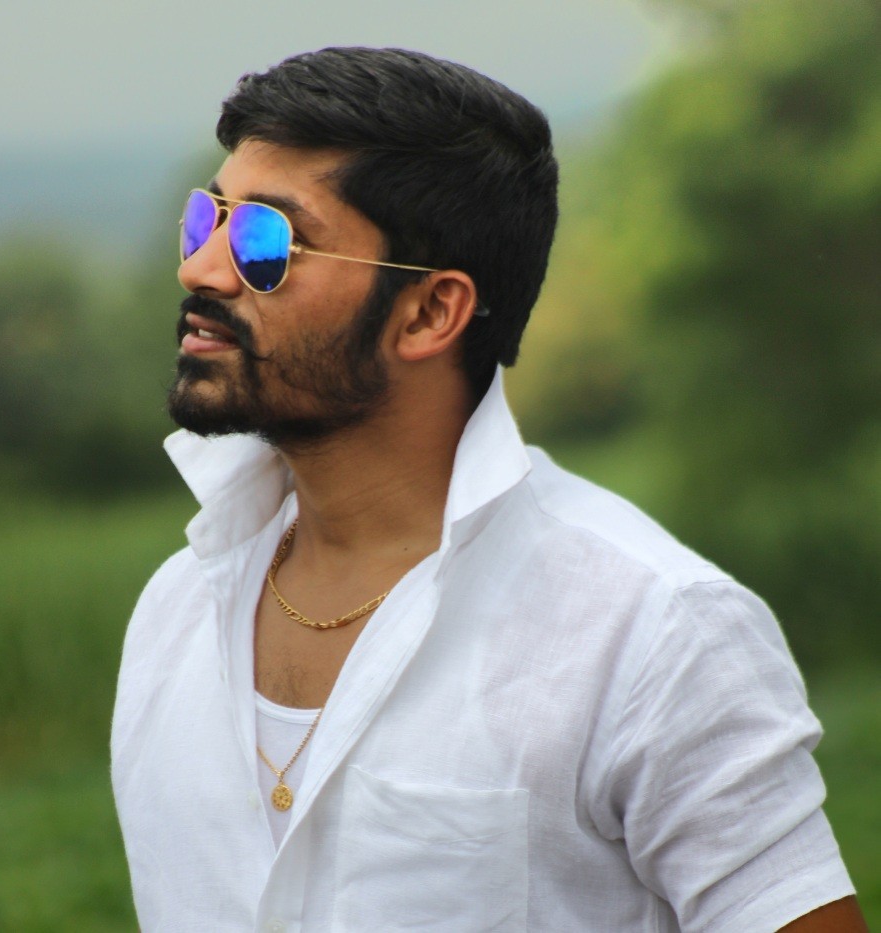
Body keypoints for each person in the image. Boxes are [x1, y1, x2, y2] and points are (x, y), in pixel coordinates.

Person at [111, 47, 866, 932]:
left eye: (264, 243)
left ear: (430, 312)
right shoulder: (174, 614)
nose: (200, 269)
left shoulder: (649, 630)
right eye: (205, 219)